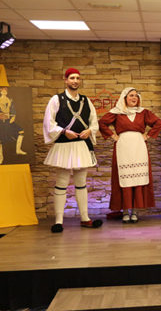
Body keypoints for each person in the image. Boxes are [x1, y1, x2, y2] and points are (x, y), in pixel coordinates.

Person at [43, 68, 102, 233]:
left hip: (81, 145)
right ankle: (59, 221)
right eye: (72, 78)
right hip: (63, 145)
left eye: (77, 78)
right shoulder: (56, 99)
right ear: (66, 80)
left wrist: (90, 130)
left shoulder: (86, 100)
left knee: (81, 183)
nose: (75, 81)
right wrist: (63, 131)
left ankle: (85, 218)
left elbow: (94, 122)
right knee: (61, 183)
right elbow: (49, 122)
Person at [98, 87, 161, 223]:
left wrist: (148, 135)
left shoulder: (143, 112)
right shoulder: (117, 112)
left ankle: (135, 211)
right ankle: (126, 211)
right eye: (131, 95)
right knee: (124, 178)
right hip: (123, 147)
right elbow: (102, 123)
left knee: (138, 178)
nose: (134, 98)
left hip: (139, 147)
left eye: (136, 96)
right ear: (124, 98)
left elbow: (158, 122)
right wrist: (113, 136)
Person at [0, 86, 27, 164]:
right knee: (0, 139)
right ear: (0, 91)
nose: (4, 91)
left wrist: (13, 117)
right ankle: (0, 157)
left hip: (9, 121)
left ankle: (18, 150)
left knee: (21, 131)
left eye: (5, 90)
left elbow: (13, 111)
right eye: (3, 90)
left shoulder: (10, 100)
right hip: (1, 123)